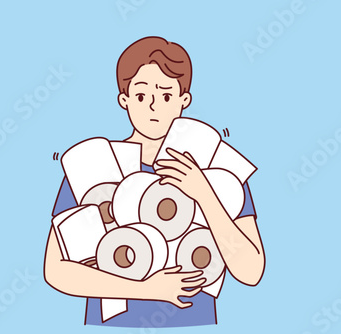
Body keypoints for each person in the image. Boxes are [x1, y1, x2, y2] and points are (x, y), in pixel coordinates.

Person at [44, 36, 265, 327]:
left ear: (184, 100)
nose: (152, 107)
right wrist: (147, 291)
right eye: (140, 96)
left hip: (192, 325)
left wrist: (204, 193)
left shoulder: (216, 170)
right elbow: (56, 270)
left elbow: (250, 271)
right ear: (123, 99)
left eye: (165, 96)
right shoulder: (93, 167)